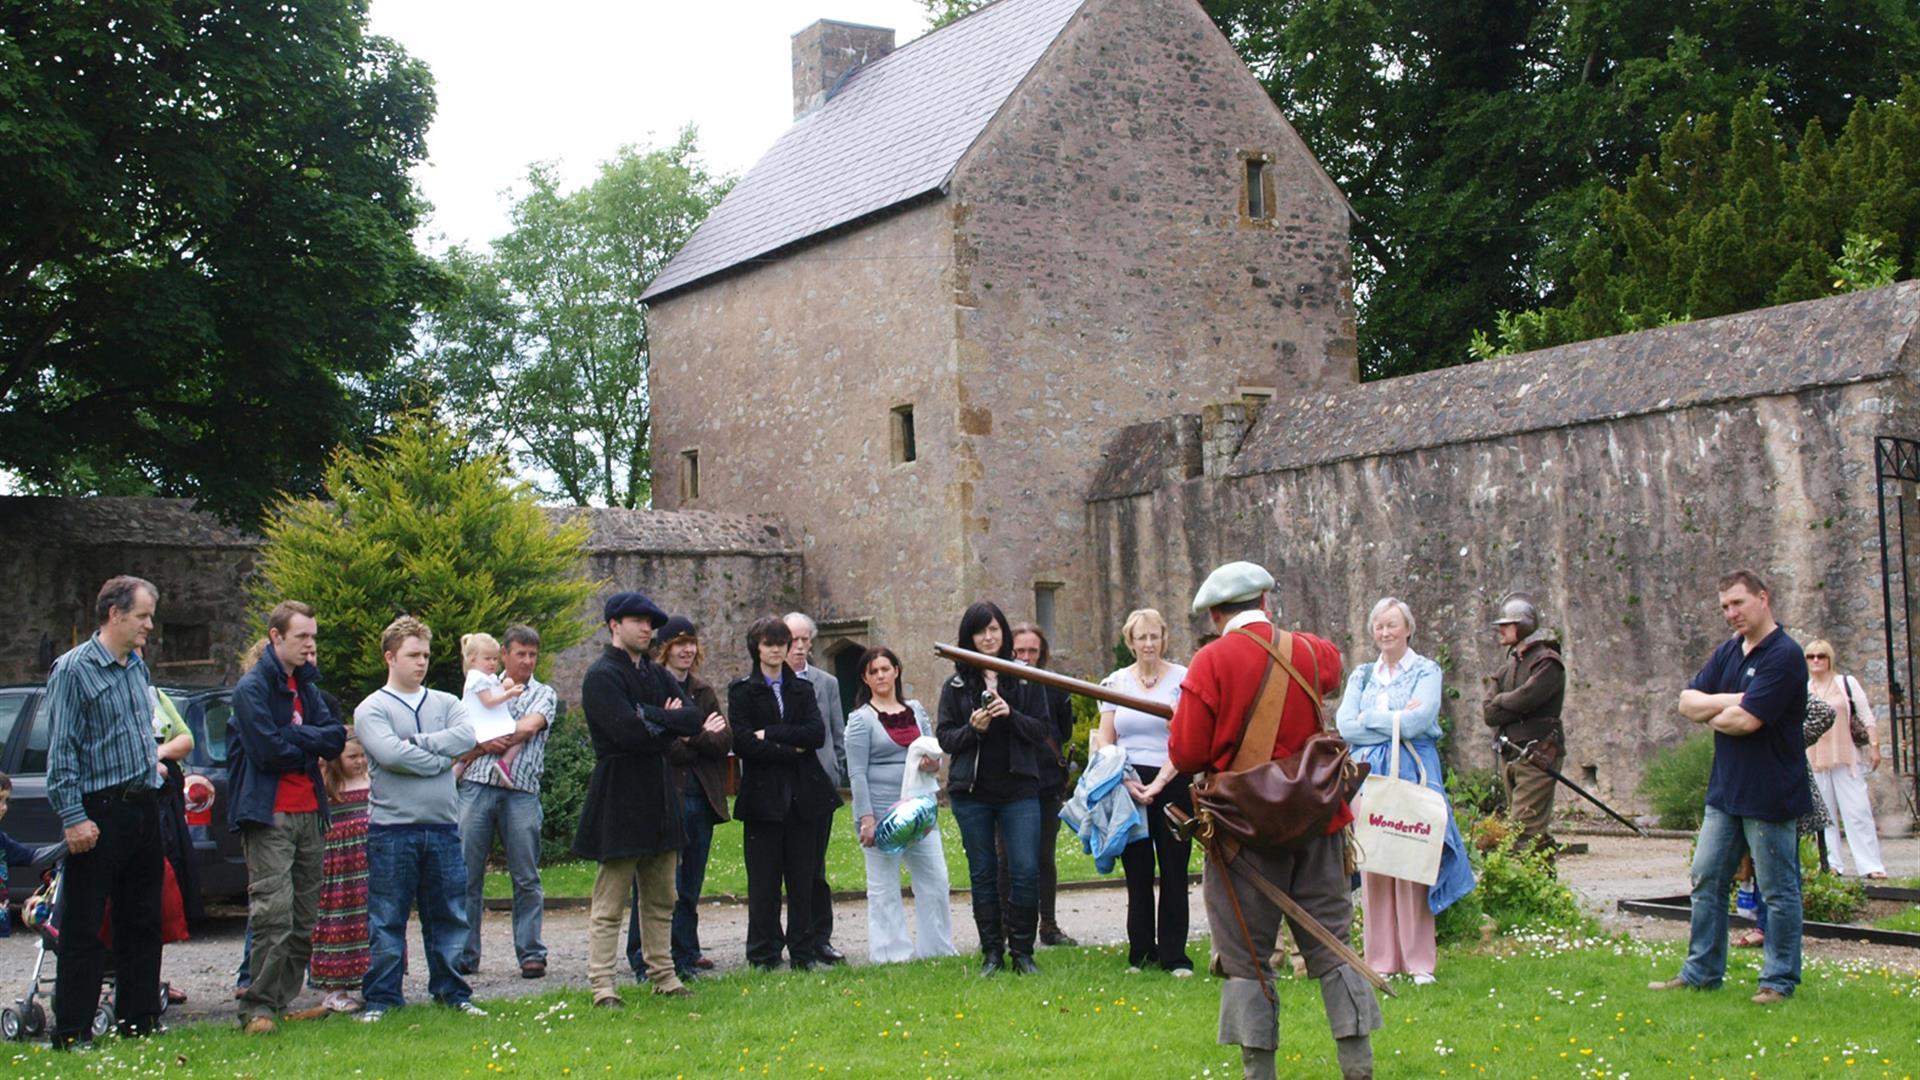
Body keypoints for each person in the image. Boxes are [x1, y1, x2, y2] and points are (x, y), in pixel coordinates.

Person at [1168, 561, 1381, 1080]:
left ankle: (1258, 1072)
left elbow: (1187, 750)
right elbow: (1330, 671)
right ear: (1264, 603)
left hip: (1243, 834)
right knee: (1334, 949)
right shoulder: (1308, 650)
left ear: (1216, 614)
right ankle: (1359, 1068)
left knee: (1247, 962)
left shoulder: (1210, 662)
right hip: (1318, 824)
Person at [1650, 568, 1810, 1005]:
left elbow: (1745, 722)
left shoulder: (1785, 655)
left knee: (1777, 891)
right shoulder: (1729, 654)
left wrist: (1722, 709)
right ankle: (1701, 972)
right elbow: (1686, 701)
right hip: (1726, 792)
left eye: (1738, 603)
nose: (1731, 613)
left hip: (1770, 792)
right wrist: (1738, 698)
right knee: (1706, 879)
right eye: (1724, 607)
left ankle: (1778, 981)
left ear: (1763, 598)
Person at [44, 576, 169, 1049]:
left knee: (142, 920)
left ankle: (138, 1021)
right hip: (98, 813)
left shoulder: (136, 665)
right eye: (142, 616)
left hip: (142, 807)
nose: (149, 626)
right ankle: (72, 1030)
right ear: (114, 614)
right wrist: (73, 816)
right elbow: (63, 751)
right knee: (83, 924)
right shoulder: (73, 670)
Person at [574, 592, 709, 1005]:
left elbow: (693, 718)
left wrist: (650, 715)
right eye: (638, 621)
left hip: (658, 789)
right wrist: (663, 720)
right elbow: (624, 733)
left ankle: (664, 976)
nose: (647, 628)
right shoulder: (601, 676)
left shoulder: (655, 674)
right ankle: (602, 985)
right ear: (615, 625)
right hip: (619, 790)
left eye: (651, 622)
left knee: (662, 895)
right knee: (611, 897)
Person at [1334, 597, 1476, 985]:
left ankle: (1418, 961)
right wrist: (1395, 718)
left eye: (1392, 625)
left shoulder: (1426, 671)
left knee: (1412, 859)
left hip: (1412, 768)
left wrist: (1374, 718)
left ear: (1408, 628)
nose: (1385, 632)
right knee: (1376, 858)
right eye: (1379, 626)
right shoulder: (1362, 675)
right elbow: (1345, 725)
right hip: (1368, 772)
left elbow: (1420, 721)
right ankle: (1381, 958)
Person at [353, 615, 483, 1022]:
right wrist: (440, 759)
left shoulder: (446, 702)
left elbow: (467, 737)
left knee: (448, 916)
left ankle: (452, 993)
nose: (421, 662)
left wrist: (421, 744)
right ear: (390, 657)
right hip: (392, 830)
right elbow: (389, 755)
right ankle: (383, 998)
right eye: (413, 655)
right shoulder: (371, 708)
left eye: (425, 654)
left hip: (443, 826)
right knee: (387, 918)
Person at [936, 600, 1052, 976]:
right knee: (983, 873)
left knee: (1024, 870)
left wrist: (1011, 714)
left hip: (1018, 790)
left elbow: (1042, 732)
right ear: (969, 638)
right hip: (972, 794)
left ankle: (1023, 952)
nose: (988, 637)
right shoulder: (955, 686)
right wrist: (974, 729)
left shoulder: (1024, 678)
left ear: (1004, 634)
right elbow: (945, 739)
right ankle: (991, 953)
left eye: (994, 629)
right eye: (980, 631)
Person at [625, 615, 732, 982]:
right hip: (667, 795)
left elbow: (722, 743)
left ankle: (685, 952)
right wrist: (695, 733)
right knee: (656, 883)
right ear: (664, 649)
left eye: (692, 642)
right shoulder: (655, 689)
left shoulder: (702, 692)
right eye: (679, 643)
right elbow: (662, 745)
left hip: (701, 797)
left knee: (690, 885)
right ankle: (644, 957)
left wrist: (692, 734)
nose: (687, 649)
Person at [730, 616, 839, 971]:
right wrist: (789, 748)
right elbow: (745, 743)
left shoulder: (803, 689)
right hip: (762, 798)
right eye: (769, 642)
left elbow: (815, 735)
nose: (776, 648)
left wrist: (771, 735)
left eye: (782, 642)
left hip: (804, 797)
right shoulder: (742, 691)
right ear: (756, 648)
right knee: (763, 881)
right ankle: (763, 952)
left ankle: (803, 952)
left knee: (803, 879)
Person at [1095, 608, 1193, 975]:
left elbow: (1187, 739)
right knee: (1137, 871)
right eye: (1142, 637)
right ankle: (1141, 953)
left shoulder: (1184, 679)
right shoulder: (1115, 683)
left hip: (1173, 780)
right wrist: (1123, 778)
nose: (1149, 643)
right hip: (1129, 782)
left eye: (1155, 636)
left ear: (1164, 639)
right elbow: (1106, 738)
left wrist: (1161, 782)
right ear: (1130, 642)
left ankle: (1174, 956)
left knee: (1174, 868)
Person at [456, 624, 557, 980]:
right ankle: (465, 953)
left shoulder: (545, 693)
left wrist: (489, 740)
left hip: (522, 790)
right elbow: (461, 739)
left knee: (526, 874)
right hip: (477, 785)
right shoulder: (479, 686)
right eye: (520, 654)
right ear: (504, 653)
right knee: (467, 873)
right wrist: (484, 746)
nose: (527, 661)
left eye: (532, 655)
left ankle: (531, 952)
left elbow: (531, 726)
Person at [846, 646, 955, 963]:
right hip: (881, 814)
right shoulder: (860, 720)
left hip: (920, 811)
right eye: (873, 671)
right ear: (866, 678)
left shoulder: (917, 711)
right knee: (883, 888)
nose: (880, 675)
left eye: (885, 668)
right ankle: (890, 953)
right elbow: (856, 773)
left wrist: (933, 766)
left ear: (896, 670)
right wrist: (865, 818)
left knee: (935, 879)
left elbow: (933, 753)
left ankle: (937, 949)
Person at [1008, 622, 1078, 947]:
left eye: (1032, 651)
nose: (1025, 657)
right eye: (1019, 650)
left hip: (1046, 781)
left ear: (1042, 653)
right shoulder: (1002, 685)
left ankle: (1048, 926)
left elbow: (1062, 732)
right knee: (1004, 857)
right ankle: (1007, 928)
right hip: (1009, 780)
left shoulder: (1056, 688)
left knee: (1044, 857)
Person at [784, 612, 849, 966]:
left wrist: (834, 773)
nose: (799, 646)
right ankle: (781, 941)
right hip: (781, 786)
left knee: (815, 869)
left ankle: (819, 938)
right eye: (792, 640)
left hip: (818, 786)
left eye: (805, 640)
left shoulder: (826, 683)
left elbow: (837, 733)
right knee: (780, 868)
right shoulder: (768, 683)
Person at [1481, 593, 1565, 855]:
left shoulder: (1547, 663)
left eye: (1506, 625)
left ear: (1524, 625)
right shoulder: (1509, 665)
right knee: (1532, 832)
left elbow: (1526, 698)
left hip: (1539, 753)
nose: (1500, 631)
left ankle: (1528, 890)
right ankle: (1545, 891)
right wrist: (1511, 704)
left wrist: (1504, 701)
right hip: (1511, 753)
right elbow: (1489, 713)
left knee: (1523, 829)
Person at [1804, 640, 1887, 879]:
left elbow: (1866, 716)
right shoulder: (1804, 688)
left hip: (1845, 755)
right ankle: (1831, 864)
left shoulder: (1846, 684)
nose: (1816, 660)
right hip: (1815, 758)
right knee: (1824, 815)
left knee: (1857, 811)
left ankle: (1870, 865)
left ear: (1830, 658)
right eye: (1810, 656)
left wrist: (1874, 746)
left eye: (1821, 655)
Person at [311, 731, 372, 1012]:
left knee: (370, 920)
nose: (359, 762)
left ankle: (374, 981)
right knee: (338, 920)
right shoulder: (328, 785)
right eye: (352, 756)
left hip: (368, 861)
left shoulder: (372, 780)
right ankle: (334, 989)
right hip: (339, 865)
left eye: (362, 755)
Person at [457, 633, 525, 787]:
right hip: (480, 722)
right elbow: (489, 702)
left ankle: (461, 765)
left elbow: (495, 691)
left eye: (494, 659)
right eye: (487, 659)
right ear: (473, 660)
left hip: (487, 720)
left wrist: (504, 686)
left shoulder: (488, 677)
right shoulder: (477, 678)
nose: (492, 663)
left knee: (517, 734)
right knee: (519, 735)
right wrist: (509, 693)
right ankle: (505, 762)